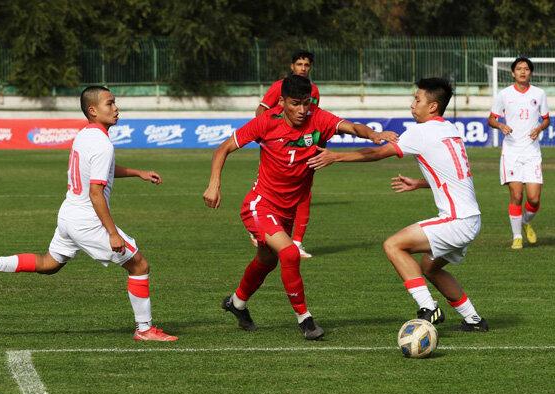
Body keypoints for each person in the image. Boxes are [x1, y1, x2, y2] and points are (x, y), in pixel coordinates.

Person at [0, 86, 178, 342]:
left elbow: (100, 169)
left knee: (48, 264)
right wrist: (112, 233)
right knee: (139, 265)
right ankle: (144, 329)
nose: (116, 108)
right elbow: (96, 193)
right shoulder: (102, 144)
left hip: (68, 213)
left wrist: (137, 172)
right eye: (110, 103)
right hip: (87, 220)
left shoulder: (84, 135)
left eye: (115, 103)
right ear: (93, 110)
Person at [203, 74, 398, 340]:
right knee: (289, 253)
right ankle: (305, 320)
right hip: (260, 205)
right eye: (296, 104)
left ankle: (236, 304)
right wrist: (214, 184)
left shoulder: (317, 118)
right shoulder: (265, 122)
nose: (302, 110)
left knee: (266, 260)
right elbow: (222, 148)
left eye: (306, 103)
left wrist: (373, 134)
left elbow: (351, 127)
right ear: (282, 102)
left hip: (286, 211)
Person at [308, 77, 488, 332]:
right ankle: (474, 320)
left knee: (393, 245)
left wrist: (336, 156)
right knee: (430, 267)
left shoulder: (421, 131)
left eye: (417, 100)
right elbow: (455, 176)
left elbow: (377, 153)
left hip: (457, 221)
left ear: (433, 107)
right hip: (471, 219)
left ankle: (429, 308)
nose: (412, 104)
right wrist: (419, 183)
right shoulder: (450, 130)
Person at [253, 50, 320, 258]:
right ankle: (261, 227)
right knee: (270, 190)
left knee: (304, 192)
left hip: (304, 147)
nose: (303, 68)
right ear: (292, 66)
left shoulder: (314, 90)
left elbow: (314, 118)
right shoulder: (279, 87)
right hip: (278, 149)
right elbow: (260, 111)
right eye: (299, 64)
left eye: (306, 65)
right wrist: (269, 136)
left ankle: (297, 242)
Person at [488, 57, 549, 250]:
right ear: (513, 73)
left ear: (531, 72)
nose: (523, 72)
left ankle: (524, 221)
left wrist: (539, 128)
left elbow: (546, 119)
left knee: (534, 199)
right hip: (511, 151)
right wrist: (500, 125)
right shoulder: (504, 94)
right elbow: (491, 119)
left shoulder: (539, 94)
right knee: (516, 195)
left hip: (532, 152)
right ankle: (517, 237)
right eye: (519, 69)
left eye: (526, 69)